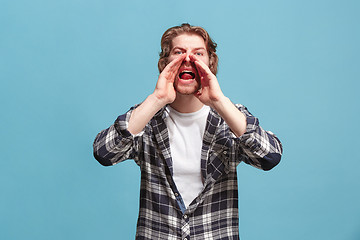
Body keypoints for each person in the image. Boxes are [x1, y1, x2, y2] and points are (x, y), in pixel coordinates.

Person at [93, 23, 283, 240]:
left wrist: (219, 101)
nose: (188, 59)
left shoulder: (230, 117)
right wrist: (156, 99)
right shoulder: (146, 118)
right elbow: (104, 153)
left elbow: (270, 157)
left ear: (210, 63)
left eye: (198, 53)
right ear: (165, 63)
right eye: (179, 52)